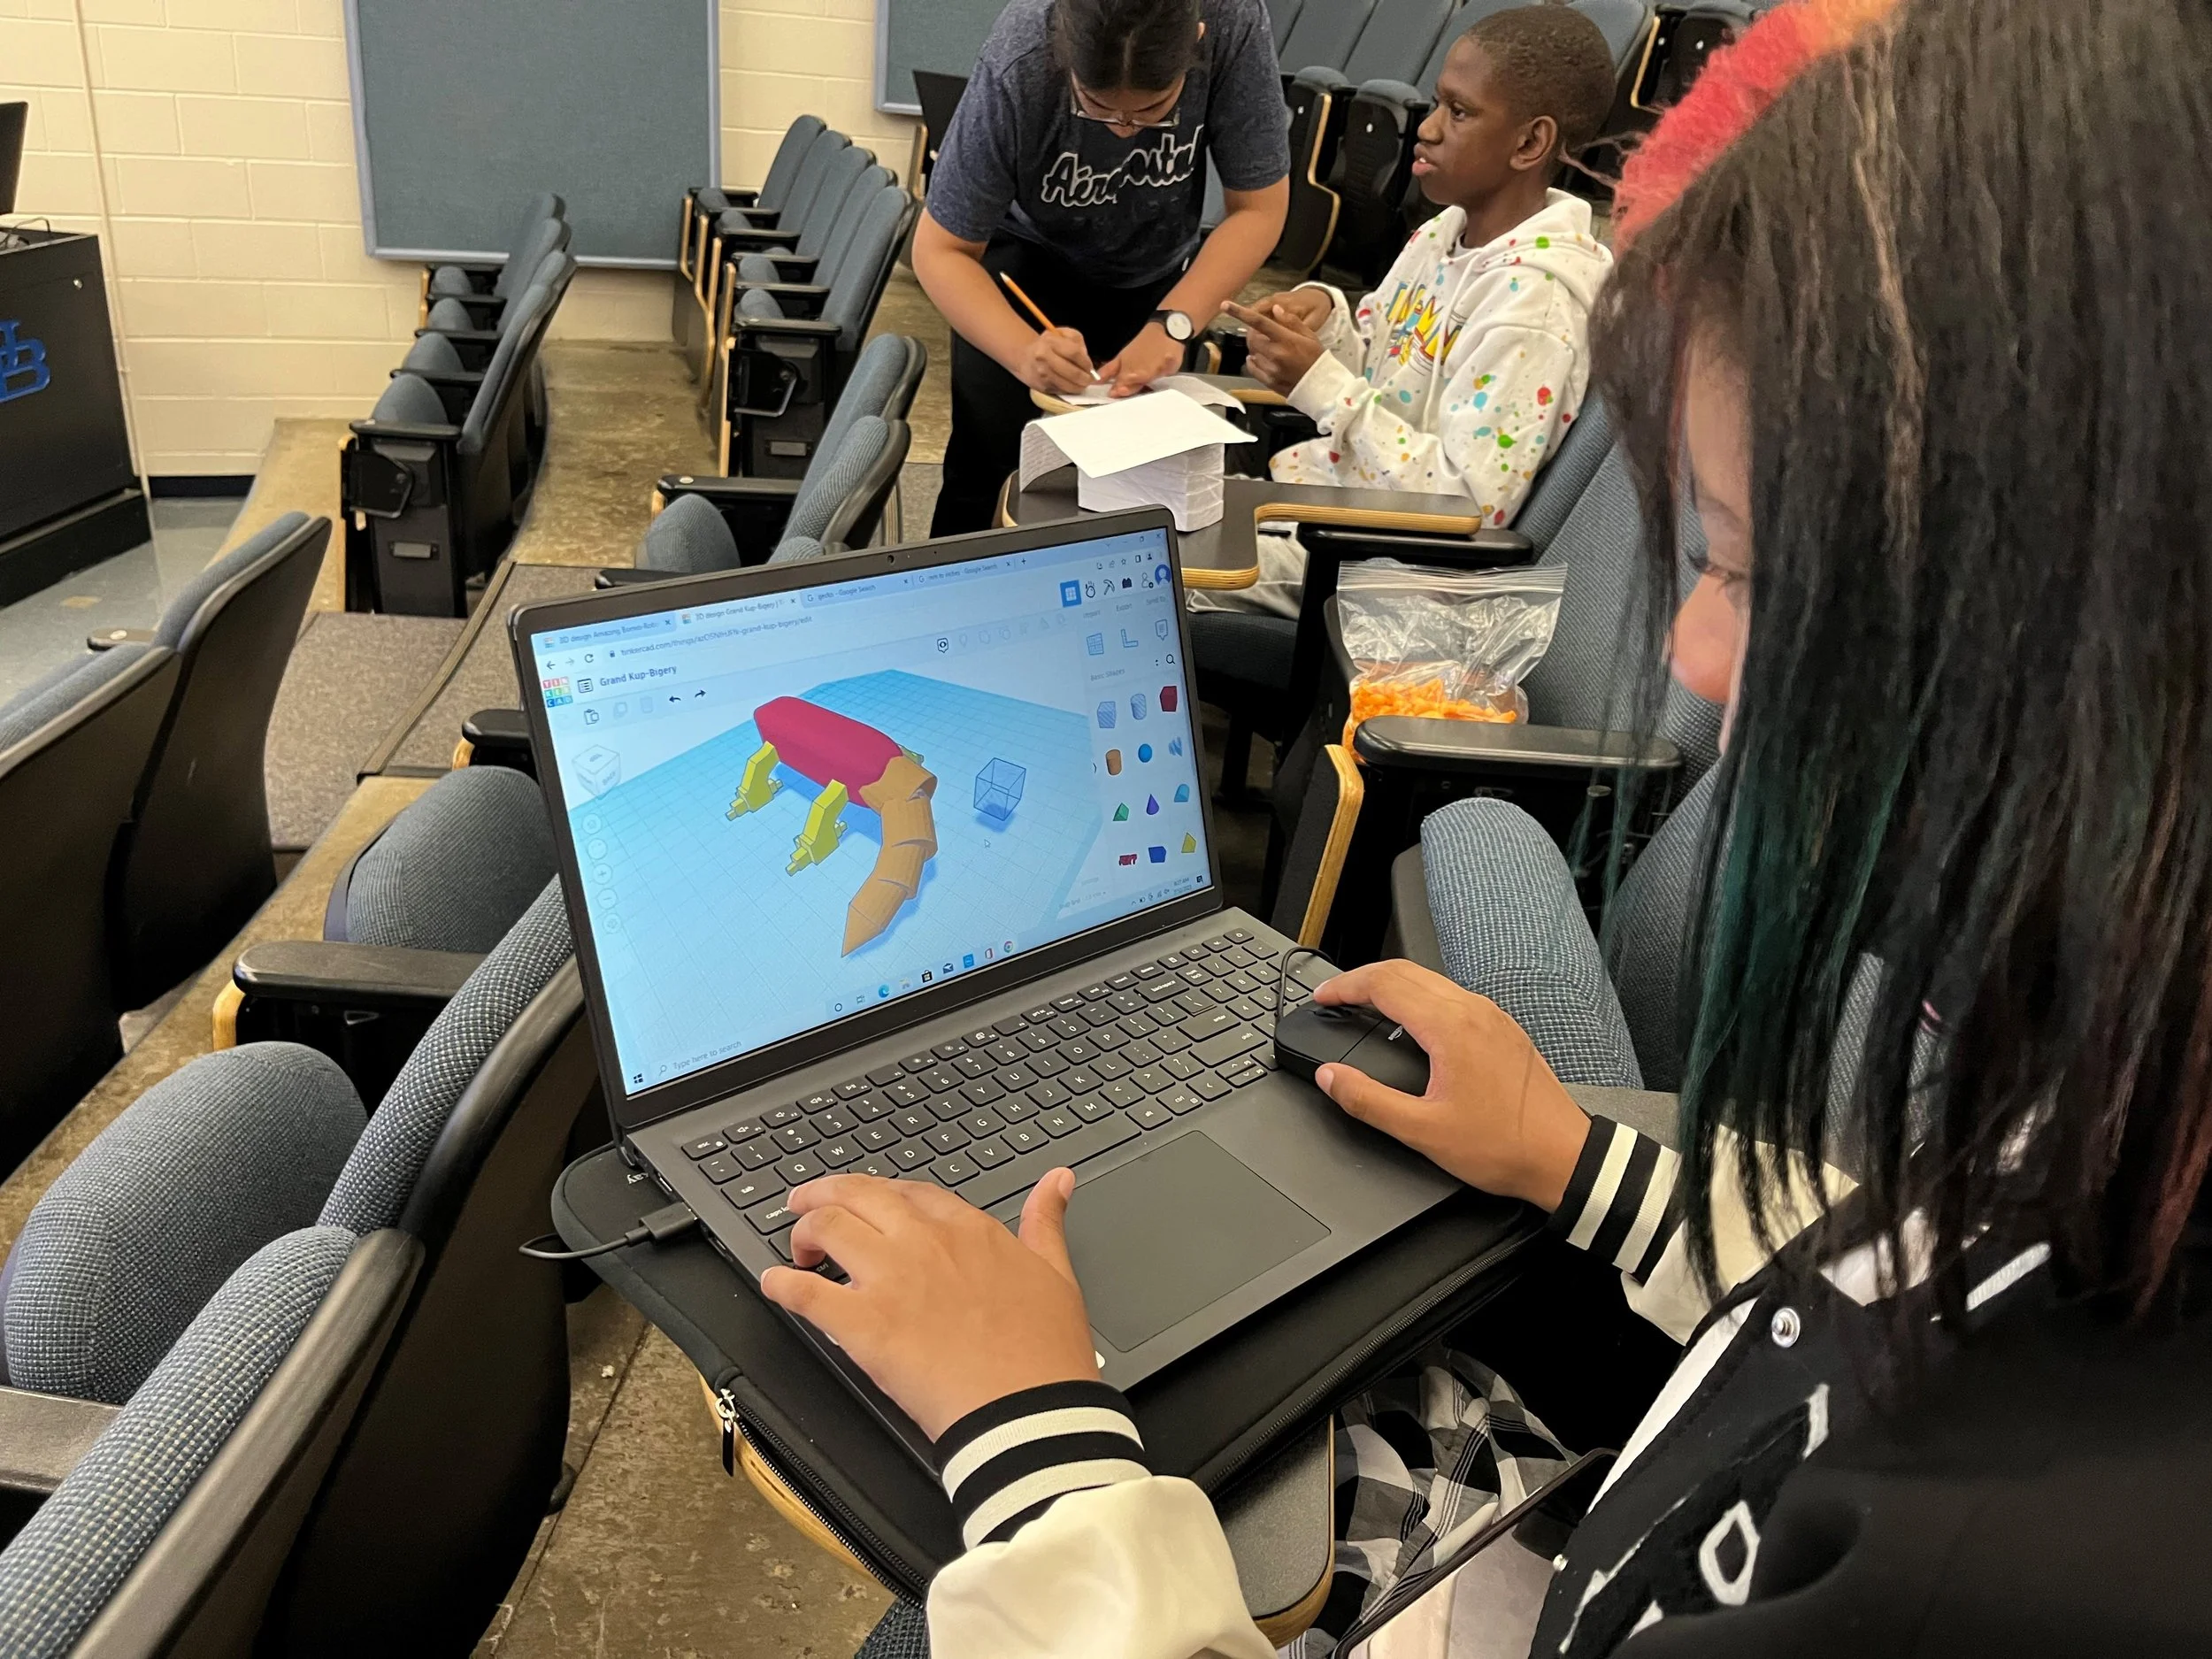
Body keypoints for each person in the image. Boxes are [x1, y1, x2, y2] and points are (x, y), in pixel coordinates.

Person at [779, 0, 2212, 1652]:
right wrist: (1576, 1158)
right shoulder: (2098, 1144)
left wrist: (1035, 1443)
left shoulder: (2039, 1558)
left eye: (1742, 563)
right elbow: (1876, 1264)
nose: (1689, 652)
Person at [1197, 5, 1617, 620]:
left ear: (1530, 143)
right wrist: (1327, 318)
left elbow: (1470, 506)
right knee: (1126, 513)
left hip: (1389, 576)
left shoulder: (1535, 304)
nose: (1427, 128)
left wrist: (1320, 385)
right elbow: (1379, 365)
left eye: (1460, 112)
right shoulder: (1443, 233)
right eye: (1437, 102)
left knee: (1134, 570)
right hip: (1328, 513)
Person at [916, 0, 1289, 537]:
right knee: (991, 472)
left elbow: (1259, 208)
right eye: (1096, 105)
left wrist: (1174, 323)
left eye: (1152, 110)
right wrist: (1023, 353)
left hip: (1155, 281)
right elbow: (939, 250)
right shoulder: (1022, 48)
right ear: (1061, 53)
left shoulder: (1233, 24)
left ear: (1198, 42)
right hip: (1022, 270)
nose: (1122, 131)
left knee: (1135, 489)